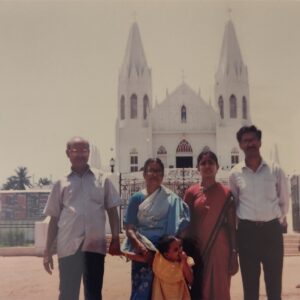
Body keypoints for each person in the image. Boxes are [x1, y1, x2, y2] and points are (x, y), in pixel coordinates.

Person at [43, 137, 121, 300]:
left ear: (89, 153)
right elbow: (54, 219)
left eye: (84, 151)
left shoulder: (102, 179)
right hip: (68, 246)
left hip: (94, 247)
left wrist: (115, 238)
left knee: (94, 294)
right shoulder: (60, 183)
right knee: (68, 294)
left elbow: (112, 210)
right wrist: (47, 250)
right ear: (67, 153)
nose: (80, 155)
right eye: (75, 151)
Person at [229, 125, 289, 300]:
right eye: (245, 141)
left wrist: (275, 220)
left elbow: (284, 201)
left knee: (274, 285)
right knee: (250, 286)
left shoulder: (275, 170)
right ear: (240, 145)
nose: (250, 144)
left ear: (260, 142)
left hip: (271, 232)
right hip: (247, 234)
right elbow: (235, 204)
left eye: (253, 140)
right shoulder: (235, 174)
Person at [124, 158, 190, 300]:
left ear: (163, 175)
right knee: (141, 291)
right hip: (143, 252)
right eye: (151, 170)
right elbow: (129, 228)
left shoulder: (171, 198)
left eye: (158, 171)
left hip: (165, 253)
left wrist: (172, 250)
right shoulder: (136, 198)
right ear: (144, 174)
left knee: (163, 291)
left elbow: (181, 226)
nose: (154, 174)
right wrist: (143, 249)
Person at [184, 150, 238, 300]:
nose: (207, 166)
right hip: (198, 251)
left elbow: (232, 227)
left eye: (211, 163)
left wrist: (234, 253)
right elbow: (185, 225)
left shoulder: (226, 193)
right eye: (203, 163)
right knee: (199, 290)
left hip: (221, 250)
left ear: (217, 167)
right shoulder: (191, 192)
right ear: (197, 168)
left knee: (221, 289)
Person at [152, 235, 194, 300]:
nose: (180, 251)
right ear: (166, 254)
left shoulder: (184, 261)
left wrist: (184, 261)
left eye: (180, 246)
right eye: (176, 249)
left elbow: (191, 280)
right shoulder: (159, 260)